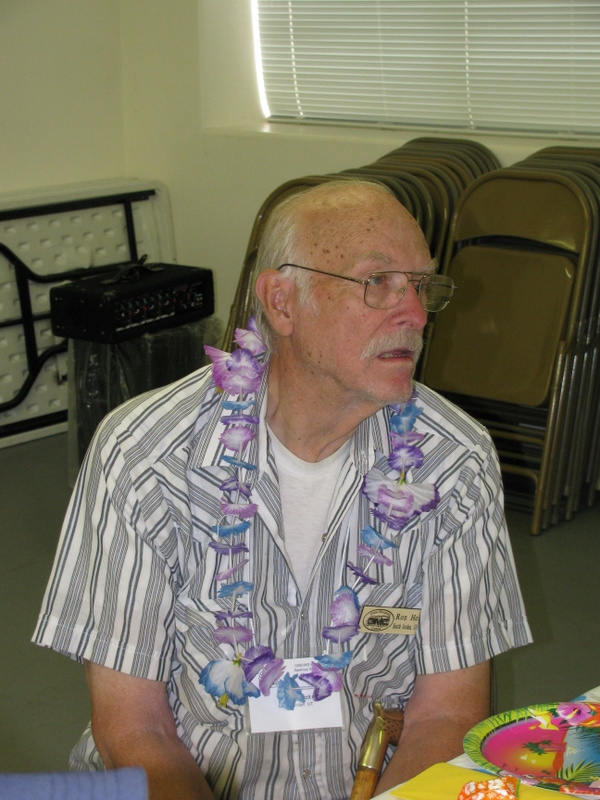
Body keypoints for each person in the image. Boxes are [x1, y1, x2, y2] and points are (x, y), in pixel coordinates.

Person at [34, 179, 532, 800]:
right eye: (378, 282)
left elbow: (446, 715)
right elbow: (134, 730)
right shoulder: (144, 455)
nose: (415, 313)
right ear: (282, 302)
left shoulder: (455, 462)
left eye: (422, 285)